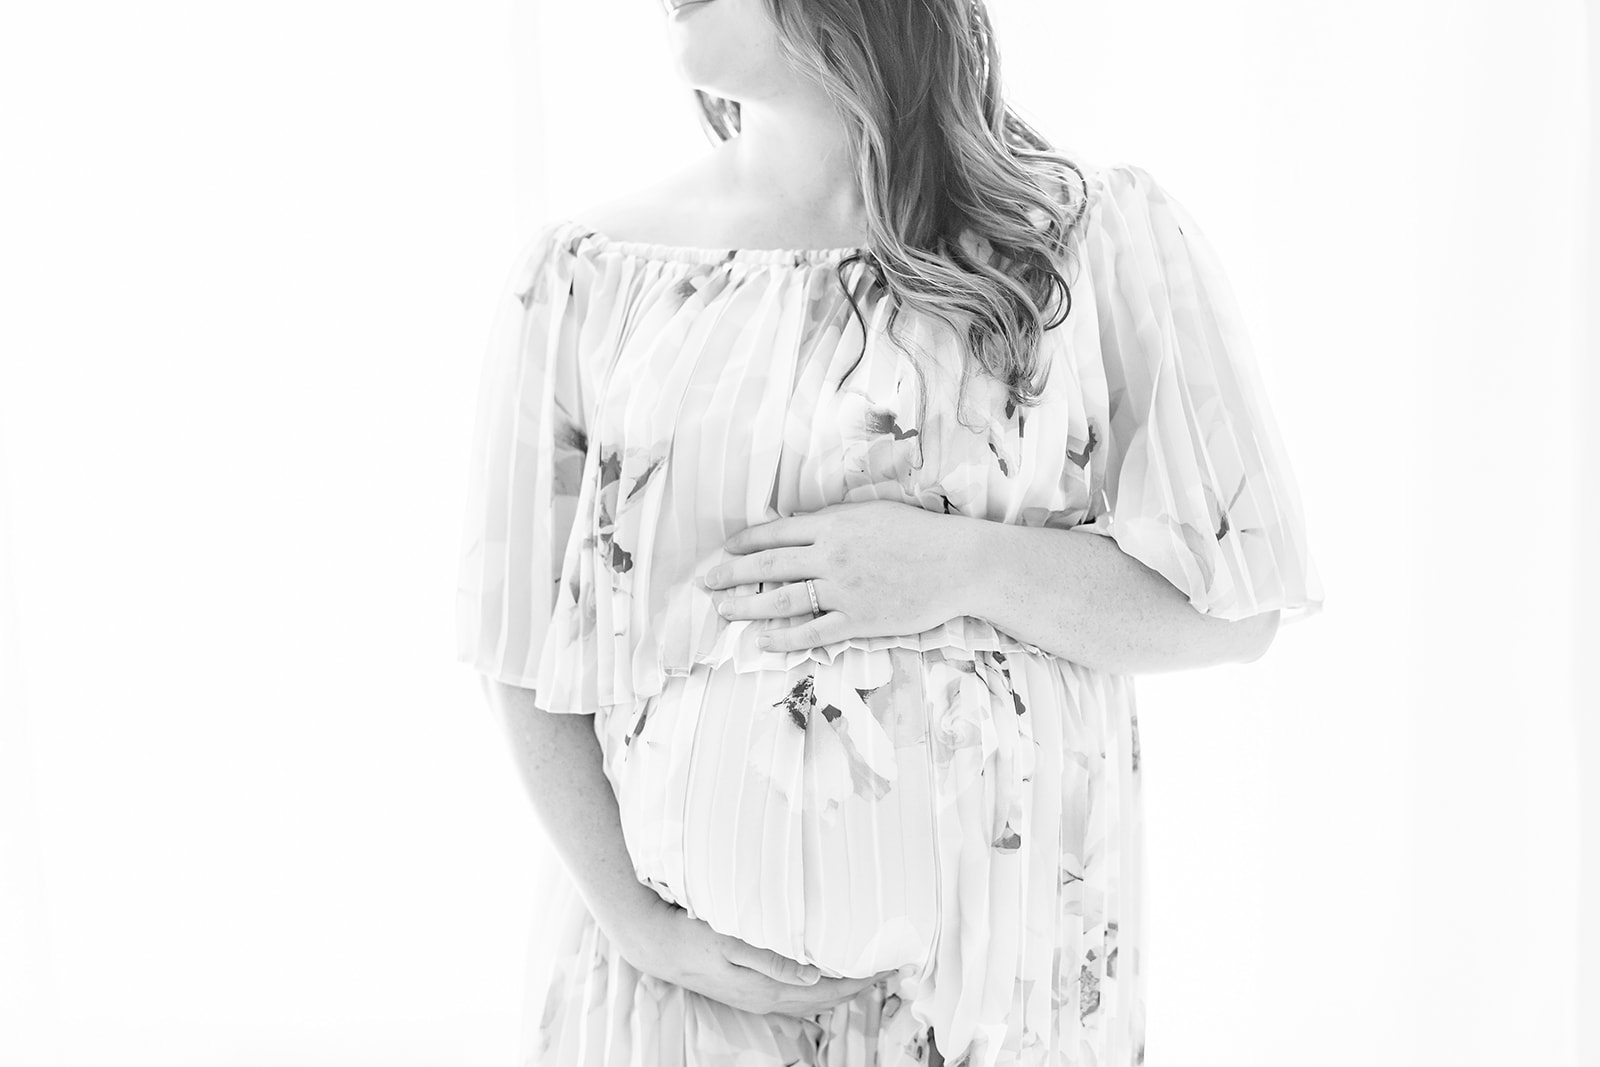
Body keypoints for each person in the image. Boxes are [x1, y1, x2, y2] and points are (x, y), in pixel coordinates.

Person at [454, 0, 1325, 1063]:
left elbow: (1234, 608)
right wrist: (641, 926)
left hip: (1004, 1004)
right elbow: (519, 648)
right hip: (676, 1004)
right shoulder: (584, 276)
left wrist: (961, 566)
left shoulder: (1087, 244)